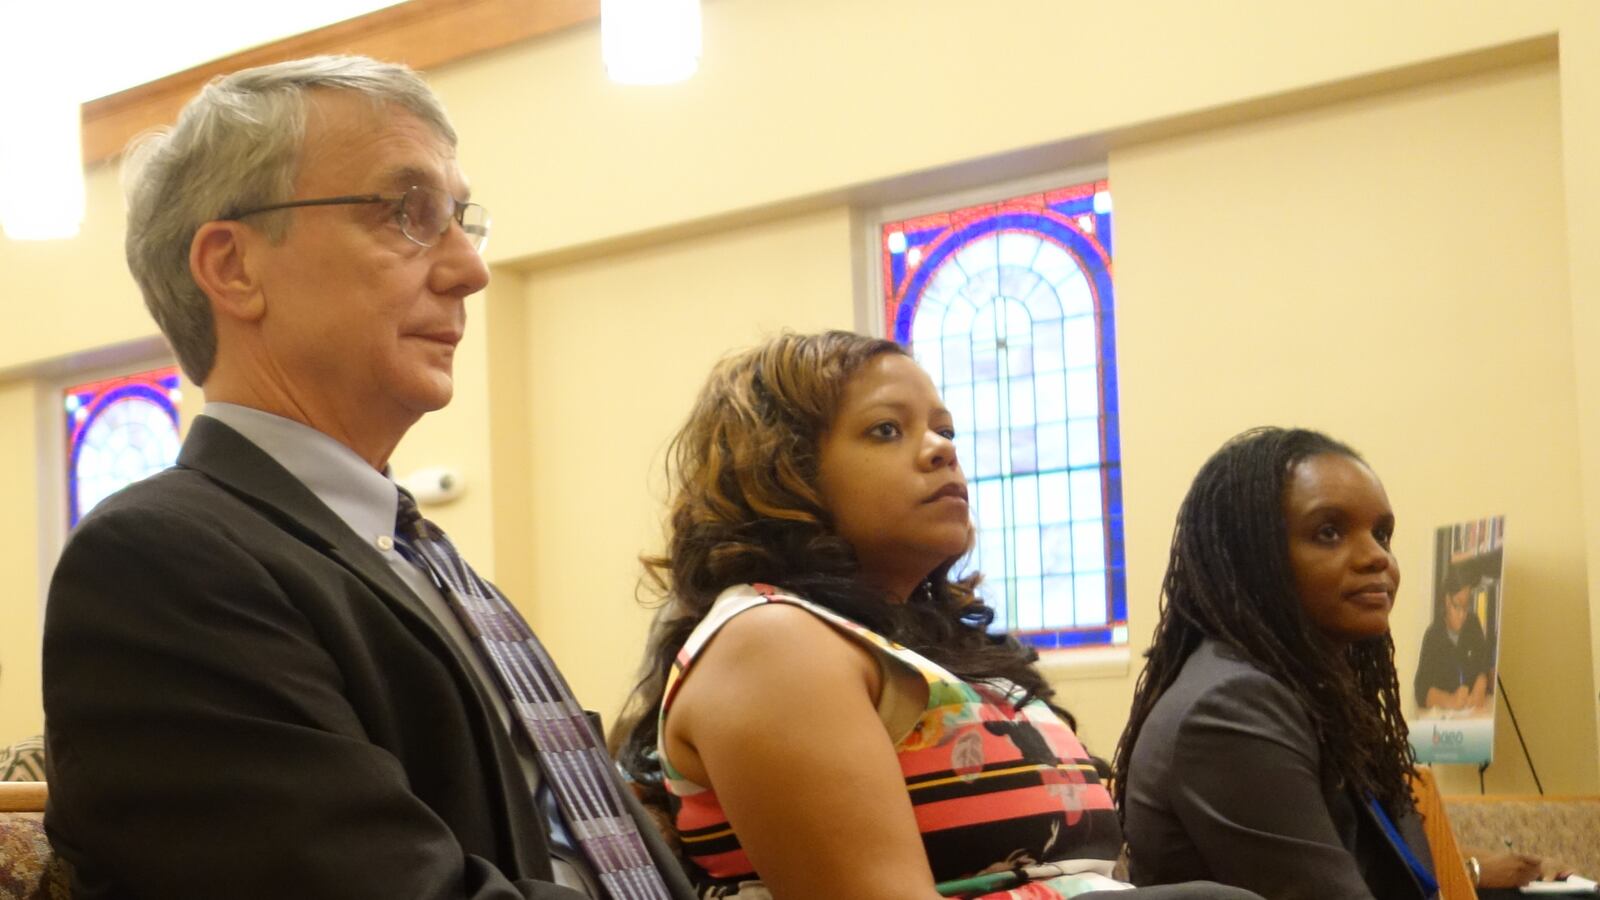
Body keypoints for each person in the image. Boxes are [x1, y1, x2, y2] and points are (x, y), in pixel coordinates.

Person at [43, 56, 692, 900]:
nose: (470, 270)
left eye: (462, 219)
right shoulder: (160, 562)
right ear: (233, 267)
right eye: (407, 214)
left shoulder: (416, 555)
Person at [613, 331, 1261, 900]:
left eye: (944, 430)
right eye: (886, 430)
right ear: (782, 472)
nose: (940, 450)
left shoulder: (932, 648)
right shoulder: (770, 641)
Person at [1114, 427, 1438, 899]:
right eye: (1329, 532)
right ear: (1250, 558)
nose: (1377, 557)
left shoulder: (1322, 699)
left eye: (1381, 533)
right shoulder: (1230, 707)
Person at [1413, 566, 1492, 713]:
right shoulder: (1434, 635)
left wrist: (1480, 686)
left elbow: (1484, 666)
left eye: (1466, 607)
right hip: (1446, 724)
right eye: (1457, 606)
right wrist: (1449, 700)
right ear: (1447, 600)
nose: (1462, 615)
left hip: (1475, 717)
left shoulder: (1473, 624)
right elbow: (1421, 690)